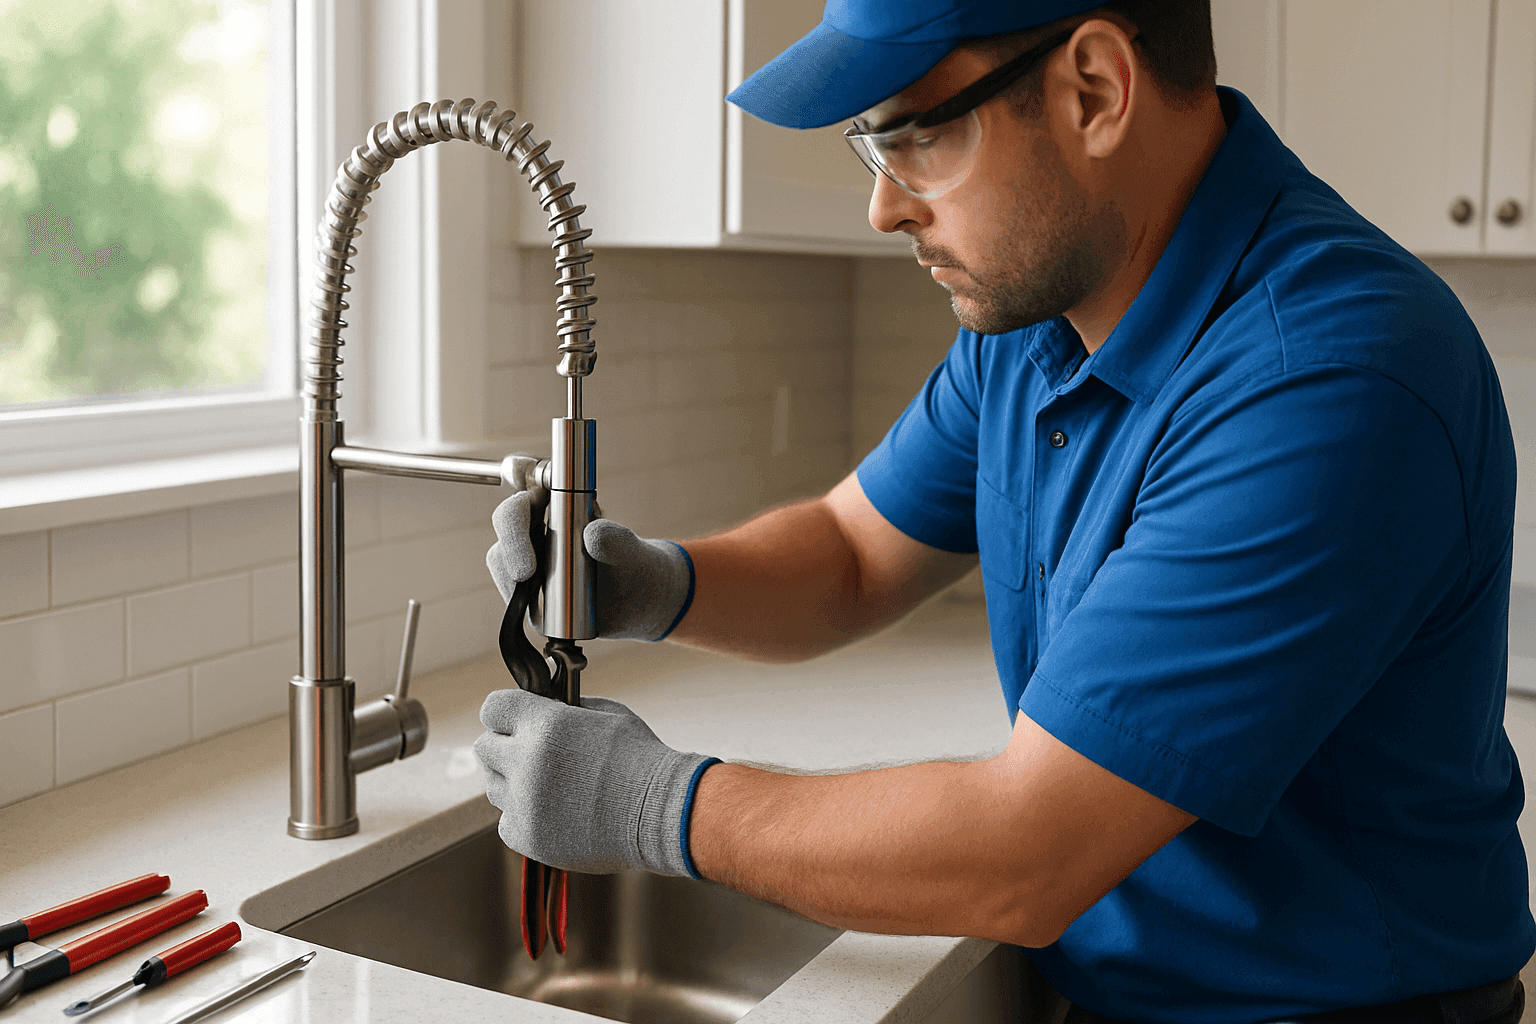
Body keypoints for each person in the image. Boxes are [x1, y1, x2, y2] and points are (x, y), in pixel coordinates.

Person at [474, 1, 1536, 1020]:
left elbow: (1027, 847)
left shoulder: (1330, 379)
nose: (885, 205)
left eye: (919, 135)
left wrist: (647, 802)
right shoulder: (1037, 316)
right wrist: (658, 581)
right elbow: (851, 553)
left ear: (1094, 89)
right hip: (1125, 986)